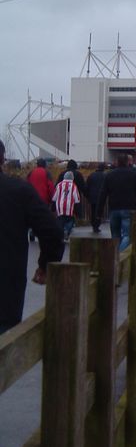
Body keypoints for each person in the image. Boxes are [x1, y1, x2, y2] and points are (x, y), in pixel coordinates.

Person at [0, 140, 64, 333]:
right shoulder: (18, 191)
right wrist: (45, 265)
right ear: (3, 159)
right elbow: (52, 232)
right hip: (5, 292)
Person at [97, 153, 136, 251]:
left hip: (114, 208)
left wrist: (99, 212)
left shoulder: (109, 175)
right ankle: (120, 255)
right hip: (128, 208)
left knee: (115, 235)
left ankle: (115, 255)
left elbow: (102, 194)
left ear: (117, 162)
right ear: (128, 162)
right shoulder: (133, 174)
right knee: (127, 235)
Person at [52, 171, 81, 241]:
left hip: (60, 206)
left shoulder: (59, 185)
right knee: (70, 220)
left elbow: (54, 197)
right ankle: (67, 230)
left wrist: (53, 206)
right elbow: (77, 199)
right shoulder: (74, 186)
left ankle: (61, 233)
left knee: (60, 220)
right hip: (69, 207)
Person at [86, 162, 106, 232]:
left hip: (92, 196)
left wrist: (88, 196)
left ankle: (93, 224)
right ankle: (97, 225)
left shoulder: (91, 175)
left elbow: (87, 186)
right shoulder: (105, 176)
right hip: (101, 197)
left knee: (93, 211)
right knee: (99, 211)